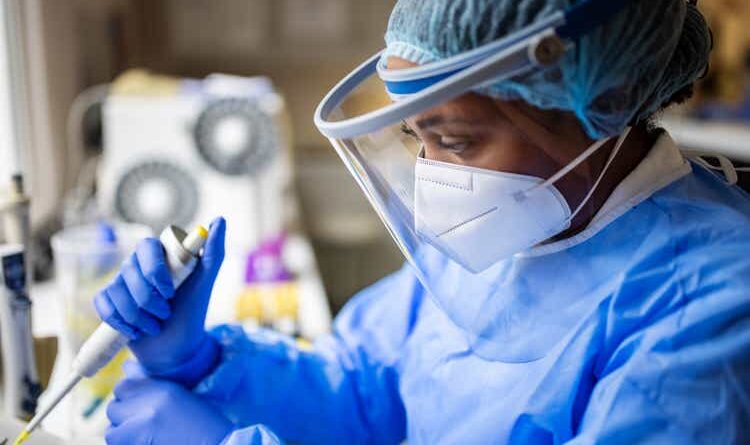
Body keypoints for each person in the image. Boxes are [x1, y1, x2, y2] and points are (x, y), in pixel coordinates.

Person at [99, 0, 750, 444]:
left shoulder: (710, 301)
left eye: (458, 140)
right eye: (417, 138)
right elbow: (369, 390)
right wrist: (203, 362)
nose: (431, 173)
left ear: (602, 102)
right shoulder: (512, 231)